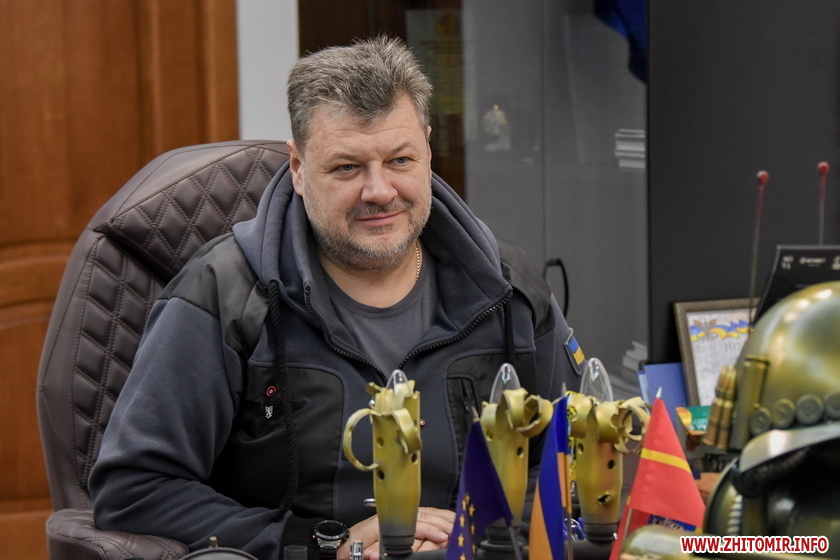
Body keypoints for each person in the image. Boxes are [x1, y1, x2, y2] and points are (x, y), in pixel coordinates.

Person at [90, 36, 584, 560]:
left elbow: (578, 458)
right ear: (298, 168)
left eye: (400, 160)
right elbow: (135, 489)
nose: (380, 191)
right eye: (347, 167)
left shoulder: (507, 290)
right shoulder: (223, 296)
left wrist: (475, 533)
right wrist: (326, 544)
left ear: (428, 152)